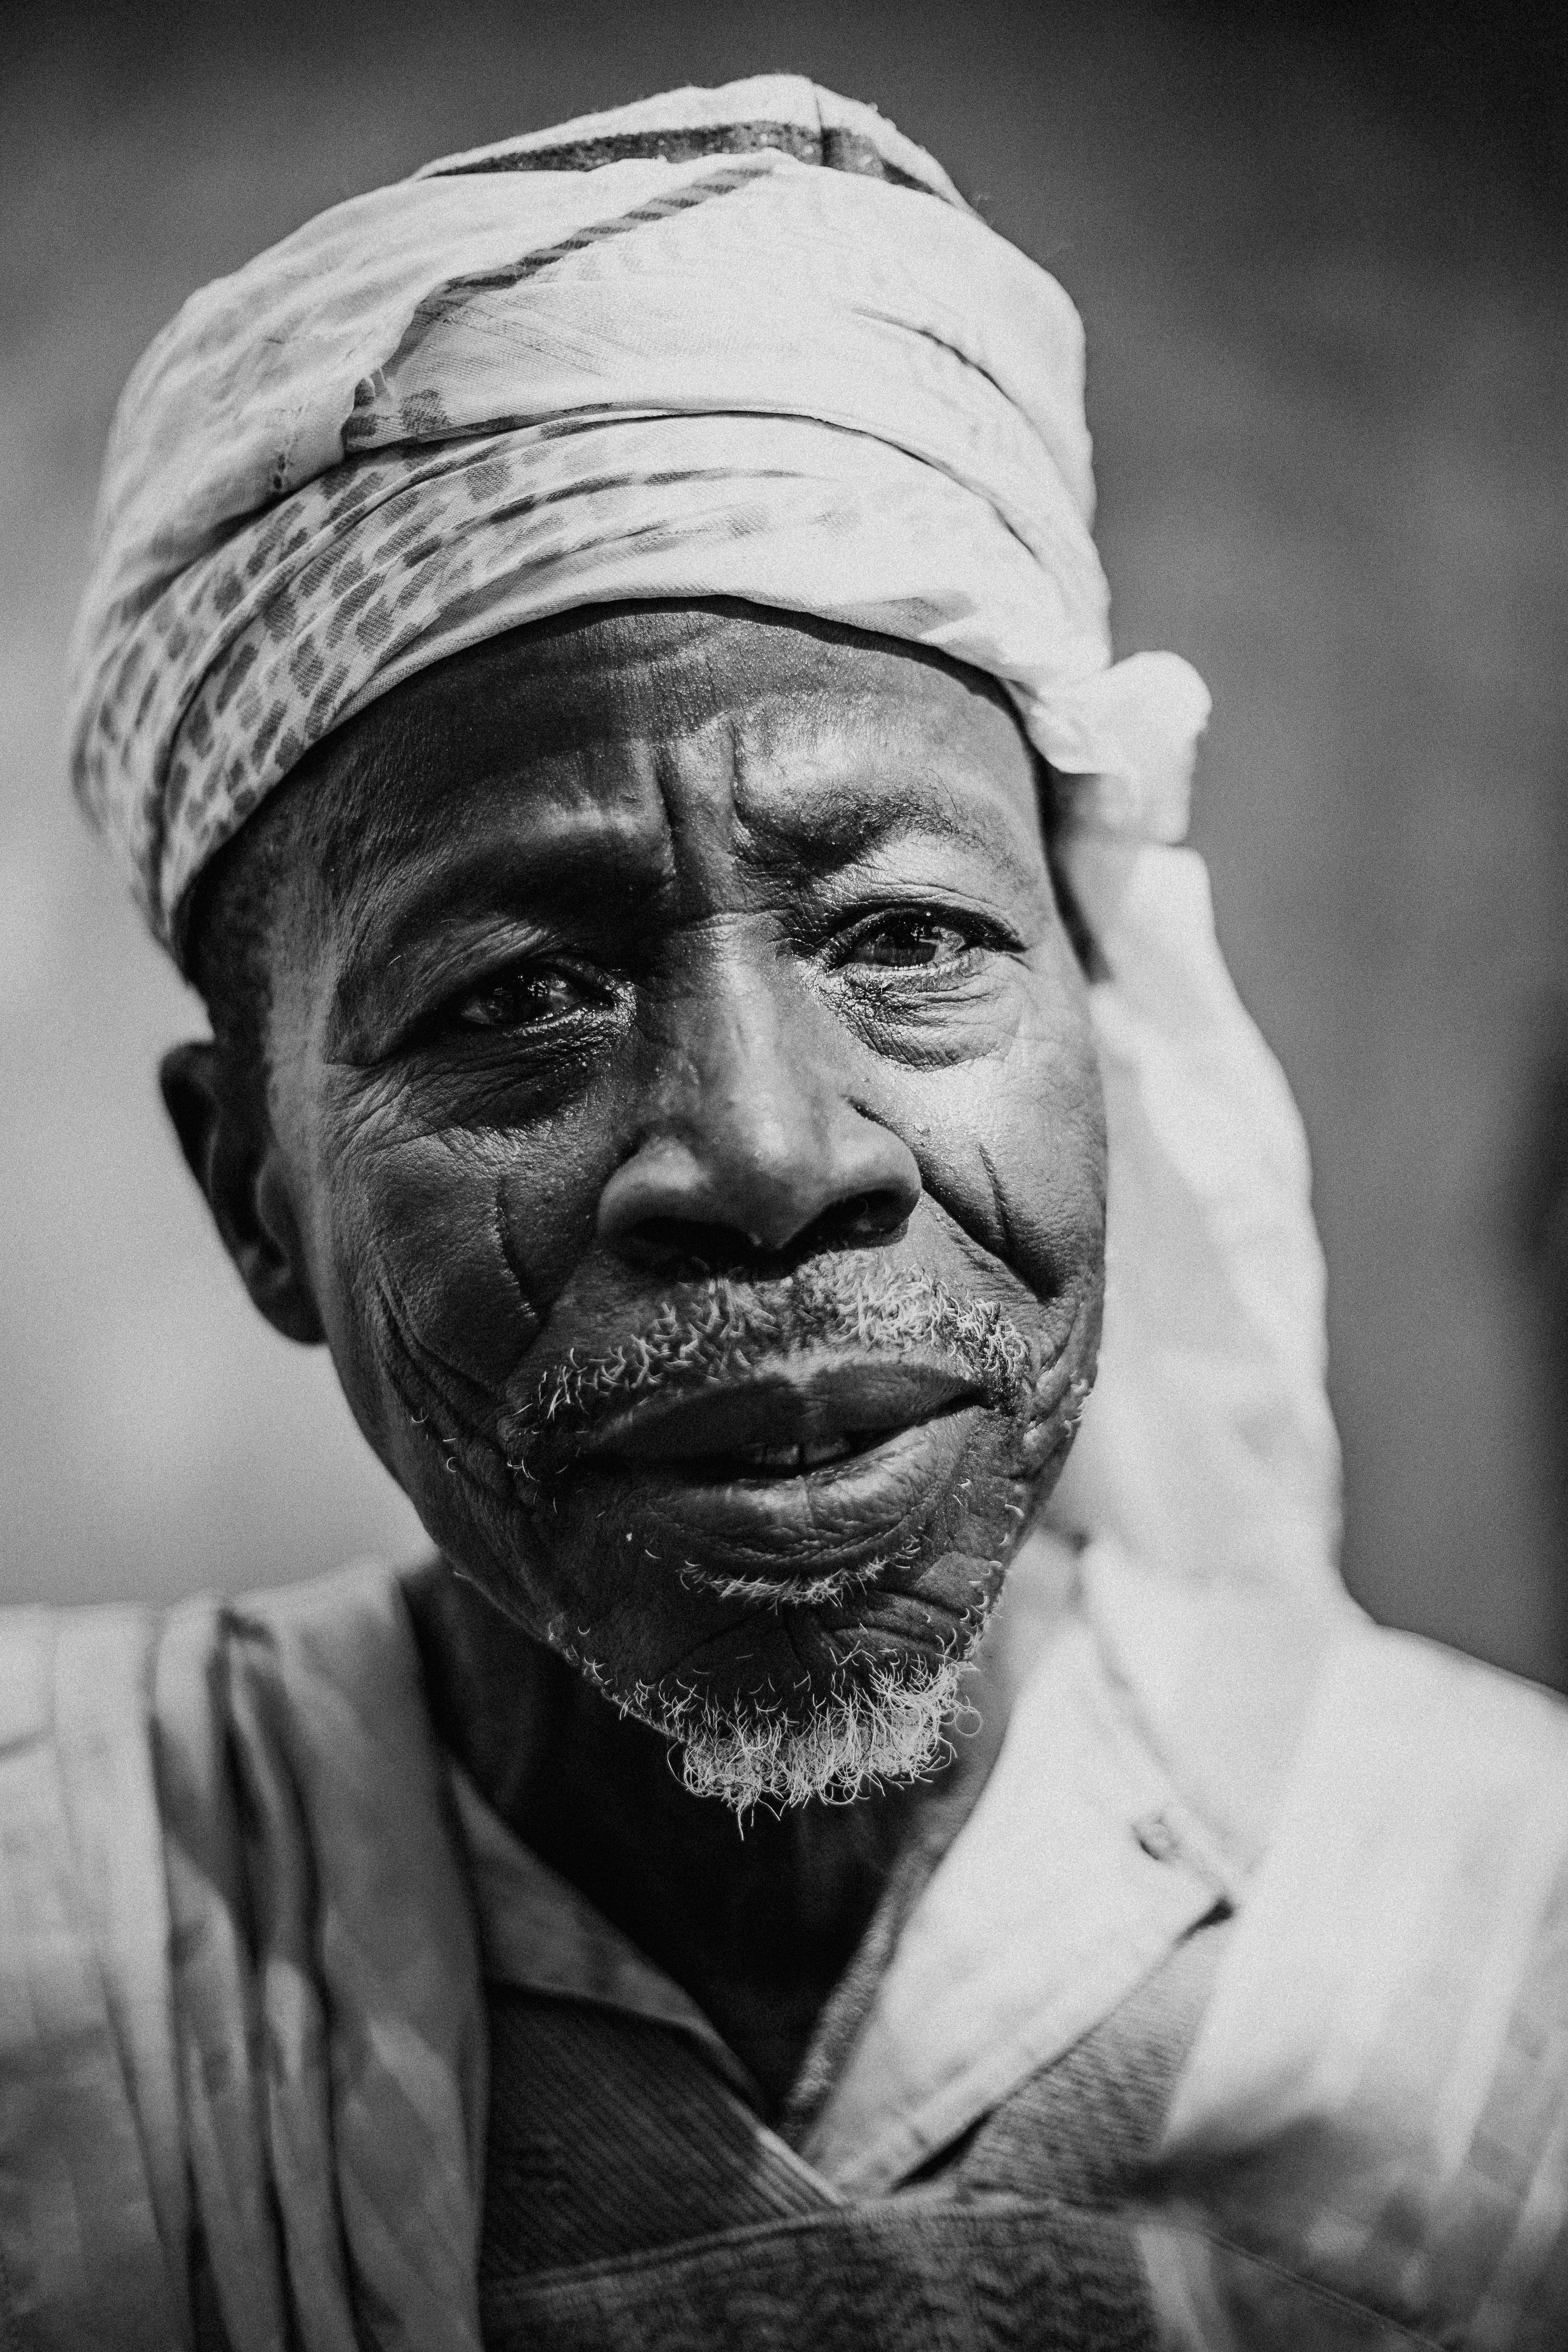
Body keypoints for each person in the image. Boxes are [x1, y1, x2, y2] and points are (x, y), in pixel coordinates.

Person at [15, 73, 1566, 2351]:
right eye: (523, 994)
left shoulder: (1502, 1942)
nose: (766, 1154)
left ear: (1104, 1012)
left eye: (911, 940)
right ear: (253, 1191)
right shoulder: (62, 1961)